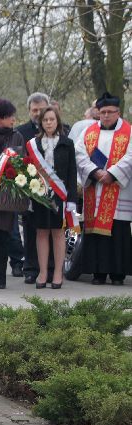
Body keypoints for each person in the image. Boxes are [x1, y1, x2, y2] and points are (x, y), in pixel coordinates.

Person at [75, 92, 132, 285]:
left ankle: (118, 274)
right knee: (95, 233)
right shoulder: (88, 132)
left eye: (110, 112)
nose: (106, 115)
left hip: (118, 190)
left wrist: (112, 173)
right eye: (103, 112)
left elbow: (130, 156)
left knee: (118, 232)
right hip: (96, 188)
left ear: (118, 112)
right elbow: (79, 154)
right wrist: (96, 172)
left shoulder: (129, 131)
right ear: (97, 112)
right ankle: (98, 273)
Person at [28, 106, 78, 289]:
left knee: (58, 233)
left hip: (60, 194)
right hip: (39, 195)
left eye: (52, 119)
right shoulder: (34, 144)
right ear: (41, 122)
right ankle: (42, 272)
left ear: (57, 121)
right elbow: (28, 172)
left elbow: (72, 172)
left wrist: (71, 199)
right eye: (45, 120)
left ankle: (57, 272)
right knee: (41, 232)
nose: (49, 122)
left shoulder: (67, 143)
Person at [0, 99, 25, 289]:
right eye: (9, 116)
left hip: (6, 195)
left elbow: (21, 162)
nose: (13, 119)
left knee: (3, 236)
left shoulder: (16, 136)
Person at [16, 92, 50, 285]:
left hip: (53, 188)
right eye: (34, 110)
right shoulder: (20, 132)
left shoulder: (61, 130)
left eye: (41, 109)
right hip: (29, 188)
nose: (38, 113)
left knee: (52, 229)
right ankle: (30, 268)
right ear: (29, 111)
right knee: (30, 230)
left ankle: (51, 267)